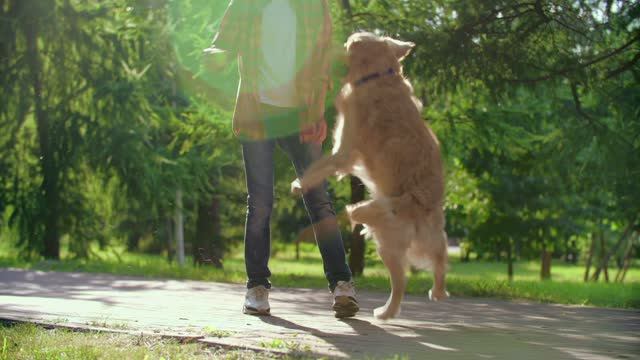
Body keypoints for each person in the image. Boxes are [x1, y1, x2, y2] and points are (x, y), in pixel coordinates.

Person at [205, 0, 358, 318]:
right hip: (256, 114)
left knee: (318, 197)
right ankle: (257, 287)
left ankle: (342, 284)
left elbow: (322, 61)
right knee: (260, 202)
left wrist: (316, 112)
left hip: (299, 116)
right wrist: (215, 56)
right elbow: (223, 42)